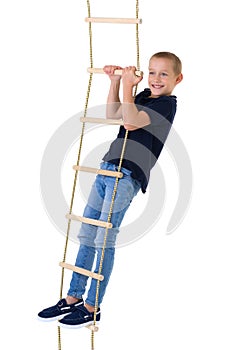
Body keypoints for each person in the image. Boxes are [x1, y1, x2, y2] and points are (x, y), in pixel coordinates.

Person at [38, 52, 183, 329]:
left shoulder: (167, 104)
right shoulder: (142, 96)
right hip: (107, 168)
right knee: (87, 233)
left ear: (178, 78)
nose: (155, 79)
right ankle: (73, 297)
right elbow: (115, 114)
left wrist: (128, 87)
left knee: (105, 239)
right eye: (152, 72)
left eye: (163, 74)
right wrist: (116, 82)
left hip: (127, 175)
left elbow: (130, 123)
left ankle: (92, 306)